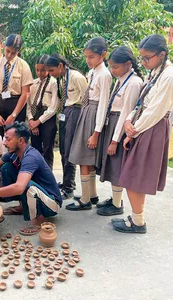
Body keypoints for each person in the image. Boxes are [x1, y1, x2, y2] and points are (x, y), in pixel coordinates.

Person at [114, 34, 173, 234]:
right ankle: (137, 218)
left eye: (147, 57)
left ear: (162, 54)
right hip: (141, 124)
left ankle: (138, 222)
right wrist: (129, 120)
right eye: (142, 58)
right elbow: (141, 101)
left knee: (133, 176)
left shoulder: (169, 75)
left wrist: (133, 129)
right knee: (135, 175)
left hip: (151, 127)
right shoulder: (155, 72)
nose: (144, 62)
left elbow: (156, 110)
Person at [95, 46, 143, 216]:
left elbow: (126, 113)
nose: (112, 70)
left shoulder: (134, 83)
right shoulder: (122, 79)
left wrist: (115, 140)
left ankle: (117, 205)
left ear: (128, 64)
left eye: (115, 67)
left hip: (120, 126)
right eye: (111, 66)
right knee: (111, 165)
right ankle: (115, 199)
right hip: (113, 123)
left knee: (116, 166)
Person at [67, 37, 112, 211]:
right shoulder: (92, 72)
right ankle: (91, 195)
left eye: (91, 56)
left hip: (94, 116)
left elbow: (103, 105)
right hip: (87, 112)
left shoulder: (104, 75)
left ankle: (85, 200)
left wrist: (96, 132)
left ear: (103, 55)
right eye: (86, 56)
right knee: (85, 158)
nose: (88, 60)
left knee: (84, 158)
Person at [45, 54, 87, 199]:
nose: (50, 74)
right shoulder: (62, 78)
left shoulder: (76, 77)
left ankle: (69, 188)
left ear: (60, 66)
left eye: (51, 70)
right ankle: (66, 182)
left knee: (69, 150)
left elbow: (86, 99)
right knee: (63, 149)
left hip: (75, 111)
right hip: (65, 112)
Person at [0, 34, 34, 137]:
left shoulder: (23, 66)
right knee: (0, 139)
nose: (9, 55)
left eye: (13, 53)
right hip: (0, 105)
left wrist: (14, 115)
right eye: (7, 51)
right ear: (4, 47)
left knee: (16, 138)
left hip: (16, 105)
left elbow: (25, 93)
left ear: (18, 51)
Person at [27, 54, 58, 170]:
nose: (40, 73)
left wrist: (38, 122)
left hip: (47, 118)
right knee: (35, 148)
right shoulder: (33, 84)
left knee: (48, 148)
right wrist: (31, 120)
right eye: (37, 70)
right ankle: (36, 173)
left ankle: (48, 174)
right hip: (34, 117)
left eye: (43, 70)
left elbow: (53, 107)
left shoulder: (53, 83)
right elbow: (28, 104)